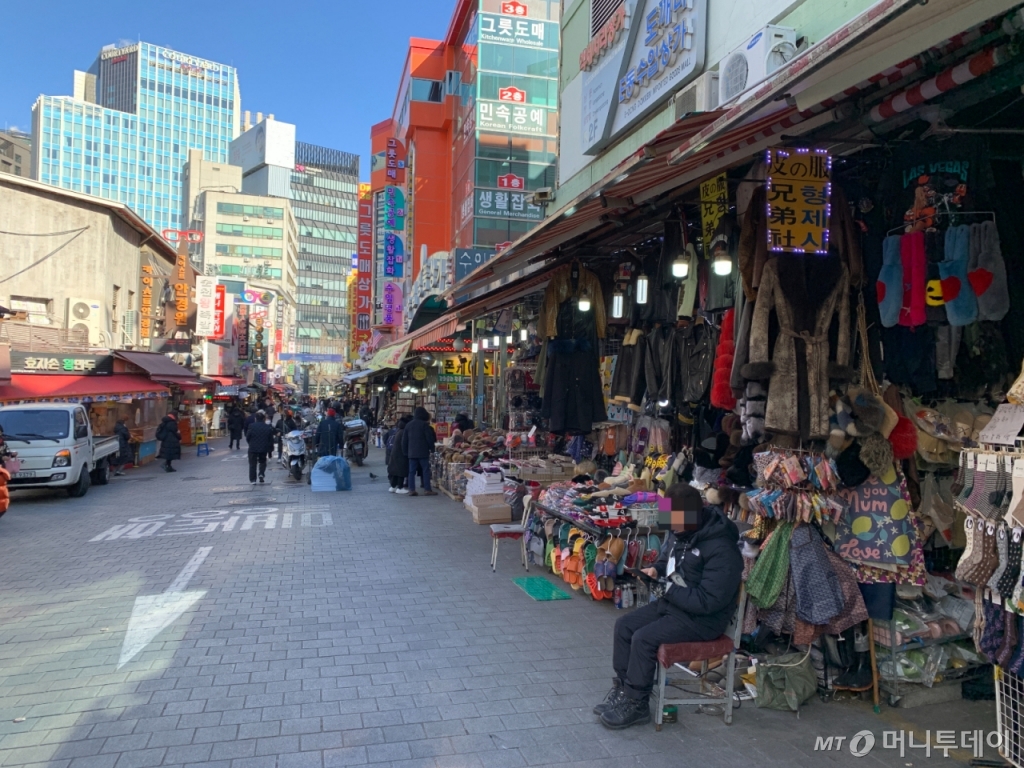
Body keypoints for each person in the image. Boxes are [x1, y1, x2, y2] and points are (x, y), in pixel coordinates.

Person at [595, 483, 743, 730]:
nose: (669, 526)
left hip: (703, 620)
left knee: (644, 638)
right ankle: (624, 690)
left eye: (673, 520)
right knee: (624, 626)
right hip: (674, 605)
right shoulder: (680, 532)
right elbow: (667, 561)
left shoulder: (722, 548)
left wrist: (667, 589)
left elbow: (709, 601)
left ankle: (637, 703)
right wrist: (656, 570)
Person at [401, 407, 437, 496]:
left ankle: (411, 489)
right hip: (423, 452)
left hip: (412, 452)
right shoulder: (424, 425)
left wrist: (405, 451)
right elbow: (429, 438)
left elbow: (404, 440)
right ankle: (427, 489)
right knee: (425, 470)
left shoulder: (408, 425)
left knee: (411, 472)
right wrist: (432, 448)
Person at [245, 411, 275, 484]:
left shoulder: (251, 426)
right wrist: (270, 447)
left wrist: (250, 443)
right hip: (263, 447)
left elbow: (247, 437)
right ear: (263, 419)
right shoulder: (267, 427)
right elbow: (270, 439)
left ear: (256, 418)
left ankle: (253, 480)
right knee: (262, 461)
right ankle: (261, 473)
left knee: (252, 464)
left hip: (253, 448)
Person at [388, 415, 412, 494]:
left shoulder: (398, 430)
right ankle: (400, 487)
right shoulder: (404, 431)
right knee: (401, 471)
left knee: (395, 471)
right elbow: (404, 443)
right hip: (401, 454)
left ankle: (393, 486)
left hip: (395, 453)